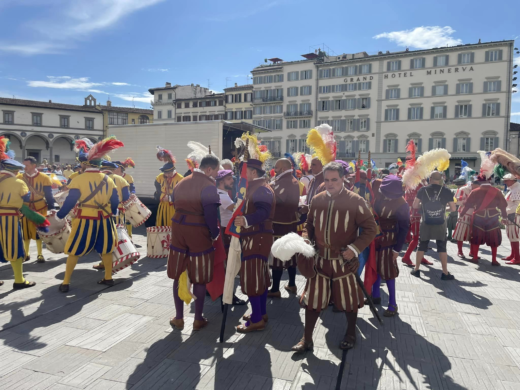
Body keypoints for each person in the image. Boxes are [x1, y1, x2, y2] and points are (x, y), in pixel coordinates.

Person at [292, 162, 377, 352]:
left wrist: (355, 249)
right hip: (320, 260)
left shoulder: (356, 200)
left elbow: (371, 228)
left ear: (343, 179)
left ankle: (351, 333)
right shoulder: (317, 199)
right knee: (313, 301)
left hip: (343, 260)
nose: (330, 184)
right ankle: (306, 340)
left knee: (348, 300)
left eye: (334, 180)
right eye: (327, 180)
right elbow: (310, 224)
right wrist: (306, 238)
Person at [55, 137, 123, 292]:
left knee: (74, 250)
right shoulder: (108, 179)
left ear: (86, 164)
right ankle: (108, 278)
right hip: (105, 219)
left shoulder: (79, 179)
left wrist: (60, 215)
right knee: (106, 249)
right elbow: (115, 200)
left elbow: (70, 201)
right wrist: (112, 212)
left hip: (85, 219)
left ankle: (65, 282)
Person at [168, 155, 221, 331]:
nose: (216, 175)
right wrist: (215, 233)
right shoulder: (208, 185)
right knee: (200, 276)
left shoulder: (181, 182)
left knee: (178, 273)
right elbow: (211, 214)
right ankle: (198, 319)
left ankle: (178, 317)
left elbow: (174, 203)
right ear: (208, 169)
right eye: (216, 171)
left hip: (178, 228)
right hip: (197, 230)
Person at [233, 152, 275, 333]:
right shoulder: (256, 187)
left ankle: (257, 319)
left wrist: (246, 220)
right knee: (259, 277)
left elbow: (264, 212)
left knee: (252, 279)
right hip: (255, 237)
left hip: (257, 238)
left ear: (253, 172)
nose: (243, 174)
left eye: (245, 171)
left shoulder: (262, 189)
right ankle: (261, 313)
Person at [371, 175, 410, 316]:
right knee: (375, 267)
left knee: (388, 272)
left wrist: (397, 249)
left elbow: (405, 227)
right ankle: (375, 295)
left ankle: (393, 303)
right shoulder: (378, 195)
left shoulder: (402, 204)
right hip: (375, 238)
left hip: (390, 241)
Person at [0, 137, 36, 289]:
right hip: (9, 218)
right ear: (14, 171)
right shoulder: (19, 182)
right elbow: (27, 198)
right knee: (14, 247)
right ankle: (19, 280)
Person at [410, 171, 456, 280]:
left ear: (430, 178)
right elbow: (453, 208)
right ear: (440, 179)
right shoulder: (446, 191)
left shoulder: (423, 190)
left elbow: (415, 205)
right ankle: (445, 272)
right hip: (440, 222)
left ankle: (416, 269)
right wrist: (444, 209)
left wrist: (425, 207)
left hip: (426, 221)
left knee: (422, 245)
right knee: (442, 246)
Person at [458, 174, 508, 266]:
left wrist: (461, 215)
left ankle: (475, 258)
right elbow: (503, 206)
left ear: (480, 181)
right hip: (492, 217)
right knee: (494, 238)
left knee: (476, 237)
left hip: (479, 216)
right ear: (489, 181)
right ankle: (494, 260)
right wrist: (504, 217)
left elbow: (467, 205)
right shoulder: (497, 191)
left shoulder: (475, 191)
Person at [269, 158, 300, 298]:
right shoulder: (290, 180)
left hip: (280, 224)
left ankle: (275, 289)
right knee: (290, 255)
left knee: (278, 256)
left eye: (276, 167)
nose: (274, 170)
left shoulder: (286, 181)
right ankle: (292, 284)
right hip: (288, 222)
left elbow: (277, 198)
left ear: (282, 168)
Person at [92, 160, 131, 271]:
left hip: (100, 212)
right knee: (117, 237)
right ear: (113, 169)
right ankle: (119, 259)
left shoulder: (96, 179)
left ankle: (104, 262)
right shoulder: (121, 179)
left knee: (102, 238)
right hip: (117, 211)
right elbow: (126, 197)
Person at [216, 169, 247, 306]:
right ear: (221, 181)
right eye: (229, 179)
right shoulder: (222, 196)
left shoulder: (222, 194)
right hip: (225, 232)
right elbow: (235, 210)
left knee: (227, 264)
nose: (232, 181)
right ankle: (228, 295)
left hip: (224, 230)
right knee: (229, 264)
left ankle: (224, 292)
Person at [18, 157, 56, 263]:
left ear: (34, 165)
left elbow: (49, 194)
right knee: (25, 231)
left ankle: (40, 254)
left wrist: (52, 207)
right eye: (24, 165)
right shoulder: (20, 177)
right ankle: (26, 253)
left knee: (39, 231)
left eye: (27, 165)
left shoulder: (44, 177)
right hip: (25, 208)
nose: (24, 167)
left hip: (40, 207)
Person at [154, 147, 183, 226]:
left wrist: (170, 198)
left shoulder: (180, 178)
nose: (166, 175)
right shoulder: (161, 176)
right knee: (162, 223)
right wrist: (160, 194)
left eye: (168, 173)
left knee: (172, 224)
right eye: (165, 173)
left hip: (173, 205)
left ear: (173, 171)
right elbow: (156, 183)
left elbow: (181, 193)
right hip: (163, 204)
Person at [452, 178, 477, 259]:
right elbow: (456, 201)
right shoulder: (463, 189)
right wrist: (466, 202)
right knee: (461, 232)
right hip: (464, 213)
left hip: (476, 214)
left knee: (474, 234)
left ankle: (472, 251)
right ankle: (460, 251)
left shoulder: (479, 189)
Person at [113, 158, 136, 237]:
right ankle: (119, 239)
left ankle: (129, 237)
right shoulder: (111, 177)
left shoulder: (128, 177)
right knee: (118, 223)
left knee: (128, 221)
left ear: (118, 168)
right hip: (117, 205)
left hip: (127, 203)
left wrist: (133, 193)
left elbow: (132, 188)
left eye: (113, 168)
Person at [503, 174, 520, 264]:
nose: (505, 182)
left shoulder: (517, 189)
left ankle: (517, 257)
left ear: (512, 180)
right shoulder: (513, 189)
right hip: (510, 215)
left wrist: (506, 212)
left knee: (514, 236)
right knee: (511, 236)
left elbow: (517, 205)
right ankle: (513, 254)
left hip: (514, 215)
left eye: (506, 180)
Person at [447, 178, 465, 242]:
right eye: (458, 185)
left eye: (460, 185)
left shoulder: (465, 190)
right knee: (449, 221)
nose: (459, 186)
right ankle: (449, 236)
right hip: (453, 206)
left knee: (456, 223)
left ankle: (456, 237)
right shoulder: (455, 190)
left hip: (459, 208)